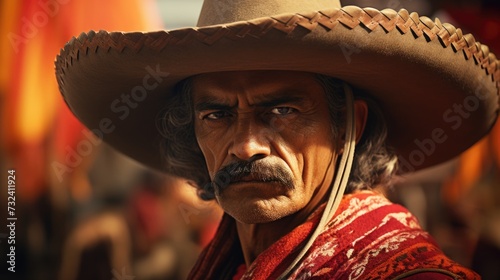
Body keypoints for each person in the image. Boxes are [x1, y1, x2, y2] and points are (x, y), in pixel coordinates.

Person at [54, 0, 499, 278]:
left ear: (351, 125)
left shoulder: (406, 273)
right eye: (217, 115)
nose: (247, 146)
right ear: (191, 129)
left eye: (282, 111)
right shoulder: (227, 262)